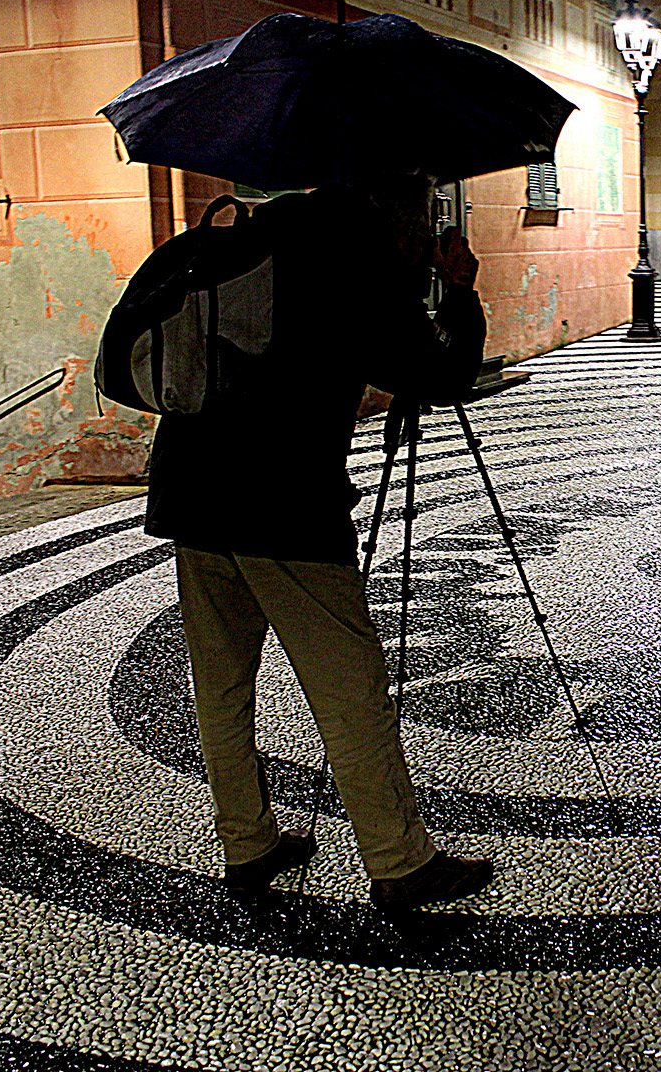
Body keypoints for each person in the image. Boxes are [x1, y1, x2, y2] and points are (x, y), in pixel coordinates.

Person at [142, 179, 494, 935]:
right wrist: (459, 294)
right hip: (284, 508)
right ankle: (401, 863)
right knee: (352, 688)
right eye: (420, 228)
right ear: (397, 229)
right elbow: (439, 375)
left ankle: (248, 843)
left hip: (190, 495)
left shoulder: (245, 246)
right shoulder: (354, 270)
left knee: (222, 684)